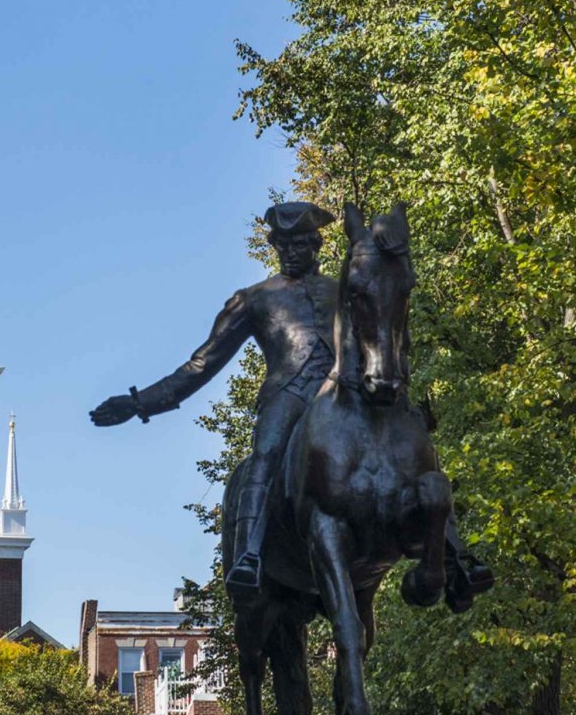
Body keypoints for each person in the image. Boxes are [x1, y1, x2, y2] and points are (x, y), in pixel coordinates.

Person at [90, 202, 490, 605]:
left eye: (302, 242)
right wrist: (140, 403)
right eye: (285, 243)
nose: (294, 250)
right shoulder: (254, 300)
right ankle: (248, 556)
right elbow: (201, 364)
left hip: (349, 395)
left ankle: (457, 558)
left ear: (317, 243)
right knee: (265, 454)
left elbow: (382, 328)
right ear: (275, 246)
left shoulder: (347, 288)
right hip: (289, 396)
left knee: (414, 444)